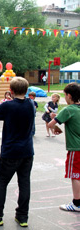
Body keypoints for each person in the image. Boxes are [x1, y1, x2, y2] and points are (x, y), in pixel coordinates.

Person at [0, 77, 35, 227]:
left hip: (11, 152)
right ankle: (22, 216)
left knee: (1, 182)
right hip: (27, 151)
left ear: (10, 91)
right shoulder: (31, 104)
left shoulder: (8, 106)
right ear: (26, 90)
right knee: (24, 183)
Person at [48, 83, 80, 211]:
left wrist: (55, 124)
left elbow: (50, 125)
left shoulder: (68, 110)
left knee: (75, 175)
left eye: (65, 95)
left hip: (76, 148)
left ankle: (77, 203)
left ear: (69, 96)